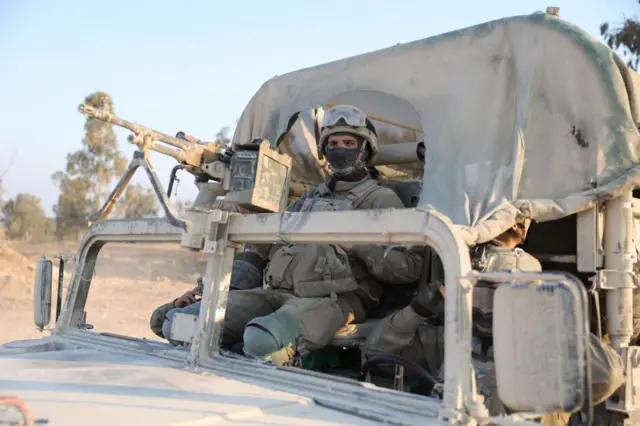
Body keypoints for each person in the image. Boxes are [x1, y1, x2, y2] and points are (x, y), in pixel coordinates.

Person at [362, 216, 625, 425]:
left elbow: (607, 374)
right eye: (483, 289)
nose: (490, 303)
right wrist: (418, 310)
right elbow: (376, 353)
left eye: (507, 293)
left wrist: (551, 322)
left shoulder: (547, 354)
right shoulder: (452, 340)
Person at [218, 104, 424, 366]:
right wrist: (254, 226)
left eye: (349, 142)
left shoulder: (381, 199)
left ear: (365, 149)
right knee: (176, 320)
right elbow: (261, 249)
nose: (340, 149)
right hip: (278, 292)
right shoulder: (311, 197)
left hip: (334, 301)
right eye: (333, 143)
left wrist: (358, 246)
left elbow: (409, 268)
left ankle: (288, 363)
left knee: (260, 341)